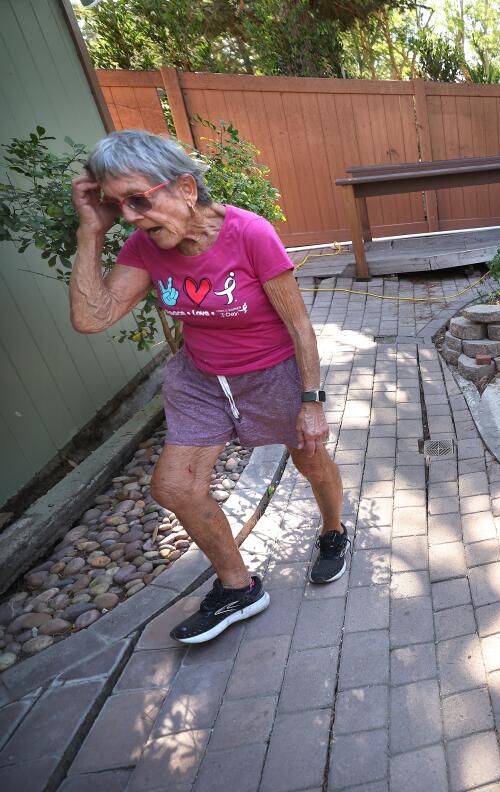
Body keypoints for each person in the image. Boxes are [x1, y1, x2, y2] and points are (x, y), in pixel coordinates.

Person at [69, 129, 349, 644]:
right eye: (117, 204)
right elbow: (93, 317)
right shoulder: (142, 243)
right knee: (174, 486)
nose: (129, 216)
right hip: (200, 378)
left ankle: (333, 530)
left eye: (137, 200)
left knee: (310, 460)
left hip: (270, 372)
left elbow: (299, 326)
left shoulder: (249, 233)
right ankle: (238, 588)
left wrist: (311, 402)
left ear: (185, 189)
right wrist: (91, 231)